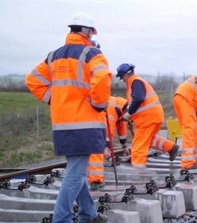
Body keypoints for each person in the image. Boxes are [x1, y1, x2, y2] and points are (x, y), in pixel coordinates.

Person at [25, 12, 110, 223]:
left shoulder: (53, 56)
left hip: (62, 124)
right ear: (88, 32)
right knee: (76, 175)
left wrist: (53, 99)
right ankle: (61, 219)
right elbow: (101, 80)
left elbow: (32, 80)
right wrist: (98, 104)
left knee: (77, 170)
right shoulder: (93, 54)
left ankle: (88, 215)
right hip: (85, 124)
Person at [115, 63, 179, 168]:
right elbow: (137, 102)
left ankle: (138, 173)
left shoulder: (135, 82)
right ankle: (171, 147)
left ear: (125, 75)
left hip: (147, 118)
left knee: (138, 148)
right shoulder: (138, 82)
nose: (122, 80)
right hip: (154, 116)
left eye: (122, 78)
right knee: (149, 139)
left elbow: (139, 99)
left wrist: (129, 113)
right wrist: (131, 116)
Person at [88, 96, 128, 189]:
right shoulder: (113, 110)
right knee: (96, 150)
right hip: (95, 124)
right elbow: (108, 131)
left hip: (95, 124)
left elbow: (122, 129)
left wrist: (124, 146)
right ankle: (95, 180)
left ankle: (95, 178)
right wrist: (107, 148)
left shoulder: (120, 110)